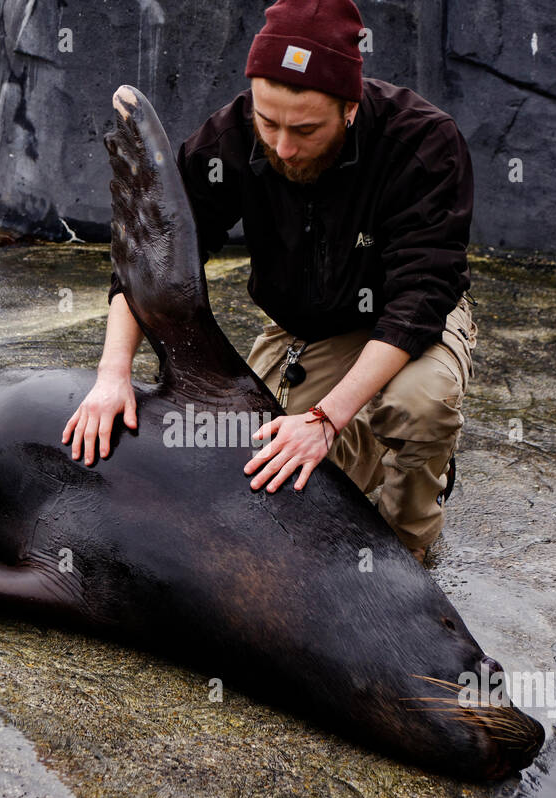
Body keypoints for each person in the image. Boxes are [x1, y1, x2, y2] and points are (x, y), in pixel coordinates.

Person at [62, 0, 476, 565]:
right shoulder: (228, 136)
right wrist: (113, 375)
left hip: (406, 319)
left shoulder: (423, 142)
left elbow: (420, 297)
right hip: (305, 329)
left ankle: (409, 548)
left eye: (305, 130)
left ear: (349, 107)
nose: (281, 147)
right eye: (268, 122)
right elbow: (151, 250)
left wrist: (327, 419)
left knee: (416, 407)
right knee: (260, 476)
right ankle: (369, 442)